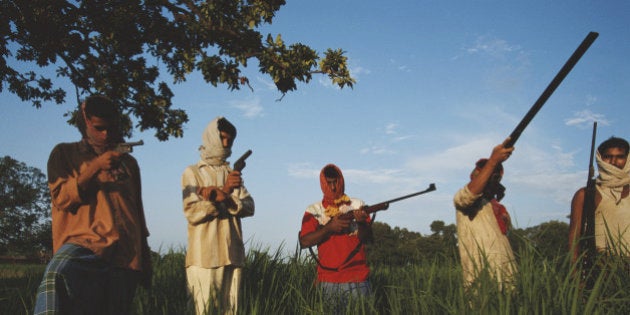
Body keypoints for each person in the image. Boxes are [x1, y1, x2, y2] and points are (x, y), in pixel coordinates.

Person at [34, 95, 152, 315]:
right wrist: (95, 167)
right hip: (85, 246)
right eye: (99, 128)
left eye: (110, 128)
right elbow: (61, 198)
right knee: (56, 276)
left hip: (125, 255)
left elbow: (138, 212)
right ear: (86, 120)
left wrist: (145, 259)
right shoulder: (63, 154)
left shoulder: (129, 164)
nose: (105, 134)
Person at [181, 116, 254, 315]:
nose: (225, 144)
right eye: (222, 138)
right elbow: (192, 213)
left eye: (230, 140)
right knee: (203, 310)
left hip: (232, 255)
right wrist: (224, 191)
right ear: (211, 137)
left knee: (231, 311)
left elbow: (249, 207)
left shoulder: (232, 173)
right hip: (204, 256)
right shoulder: (193, 172)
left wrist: (225, 197)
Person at [299, 164, 387, 312]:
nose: (333, 187)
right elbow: (304, 241)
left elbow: (368, 239)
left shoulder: (357, 205)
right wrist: (329, 228)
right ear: (323, 183)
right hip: (327, 281)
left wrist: (361, 223)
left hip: (358, 279)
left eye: (336, 182)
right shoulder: (314, 210)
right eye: (329, 183)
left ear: (341, 181)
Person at [453, 138, 516, 289]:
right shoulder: (463, 199)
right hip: (481, 284)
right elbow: (469, 195)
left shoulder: (498, 208)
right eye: (483, 172)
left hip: (508, 282)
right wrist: (493, 160)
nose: (488, 174)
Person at [569, 136, 630, 262]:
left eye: (620, 157)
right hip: (599, 267)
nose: (613, 161)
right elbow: (574, 238)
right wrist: (574, 277)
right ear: (600, 159)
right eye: (608, 156)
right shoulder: (586, 194)